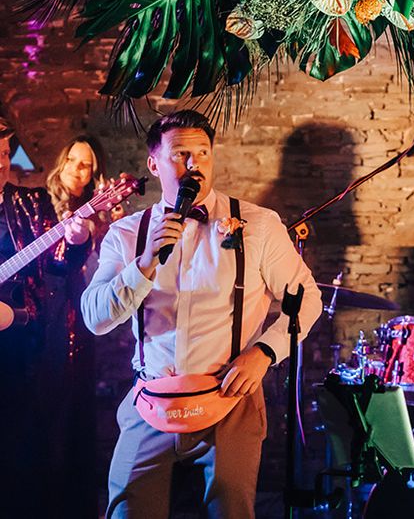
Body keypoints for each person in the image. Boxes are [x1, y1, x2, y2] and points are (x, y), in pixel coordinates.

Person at [81, 109, 323, 518]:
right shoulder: (126, 234)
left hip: (229, 396)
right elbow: (95, 318)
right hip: (152, 398)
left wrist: (264, 353)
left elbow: (309, 299)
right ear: (154, 163)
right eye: (180, 154)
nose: (194, 164)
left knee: (231, 508)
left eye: (203, 153)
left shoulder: (258, 225)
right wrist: (143, 264)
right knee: (127, 508)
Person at [0, 116, 91, 518]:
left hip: (19, 347)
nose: (2, 163)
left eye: (4, 154)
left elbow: (58, 267)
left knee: (21, 447)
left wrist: (77, 241)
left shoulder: (29, 204)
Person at [45, 135, 111, 518]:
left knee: (75, 411)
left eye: (84, 164)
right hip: (39, 319)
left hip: (78, 318)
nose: (75, 168)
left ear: (94, 174)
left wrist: (92, 233)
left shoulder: (98, 214)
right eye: (71, 159)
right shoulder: (35, 203)